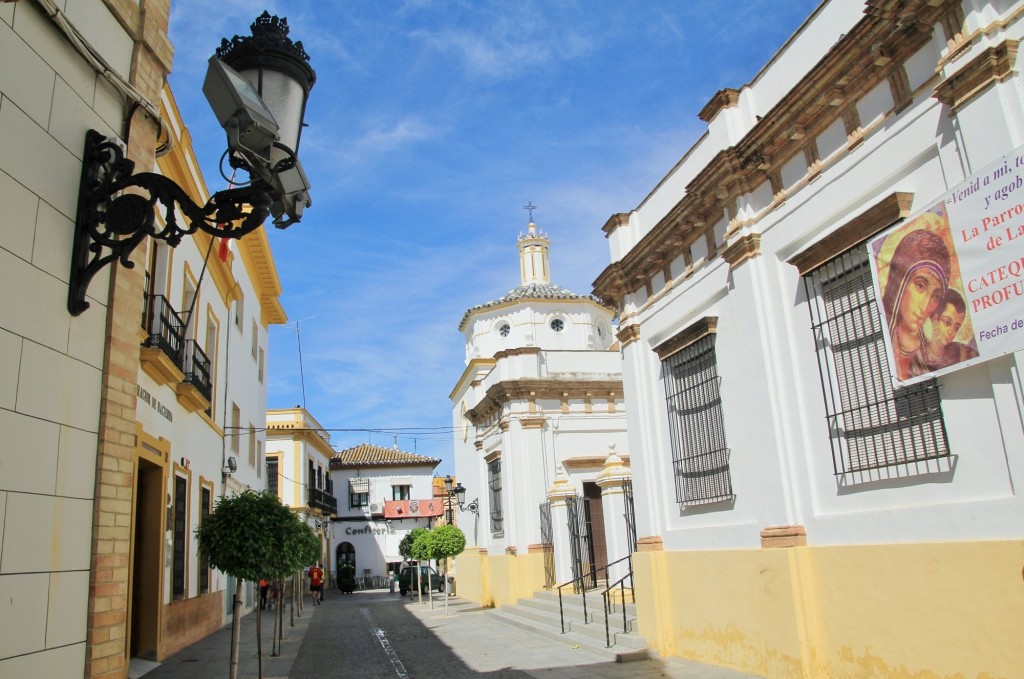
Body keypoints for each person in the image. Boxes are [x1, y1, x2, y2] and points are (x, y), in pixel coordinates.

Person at [880, 229, 952, 380]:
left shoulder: (933, 355)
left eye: (936, 296)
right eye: (920, 286)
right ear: (899, 282)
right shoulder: (881, 345)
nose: (925, 306)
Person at [924, 288, 979, 370]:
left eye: (956, 328)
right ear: (935, 318)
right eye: (947, 322)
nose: (951, 332)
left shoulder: (962, 353)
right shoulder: (916, 358)